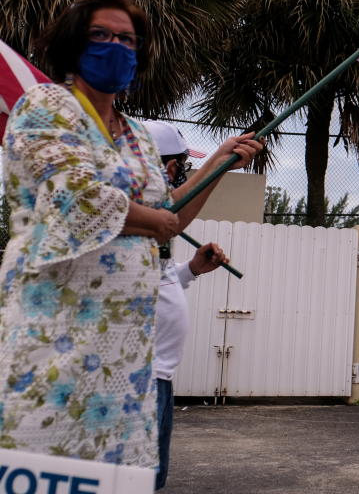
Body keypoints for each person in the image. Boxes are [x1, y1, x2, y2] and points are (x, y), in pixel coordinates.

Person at [0, 0, 259, 468]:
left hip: (123, 357)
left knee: (119, 474)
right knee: (45, 463)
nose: (115, 45)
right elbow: (75, 198)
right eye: (101, 34)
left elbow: (172, 217)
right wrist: (151, 220)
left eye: (127, 39)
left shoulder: (137, 135)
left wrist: (219, 162)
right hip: (54, 338)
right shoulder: (47, 106)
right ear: (73, 43)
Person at [143, 120, 245, 489]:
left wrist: (192, 270)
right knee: (139, 479)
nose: (178, 173)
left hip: (160, 375)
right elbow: (174, 215)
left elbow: (157, 277)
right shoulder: (138, 210)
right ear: (168, 166)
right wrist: (219, 161)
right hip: (140, 376)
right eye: (180, 165)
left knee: (152, 479)